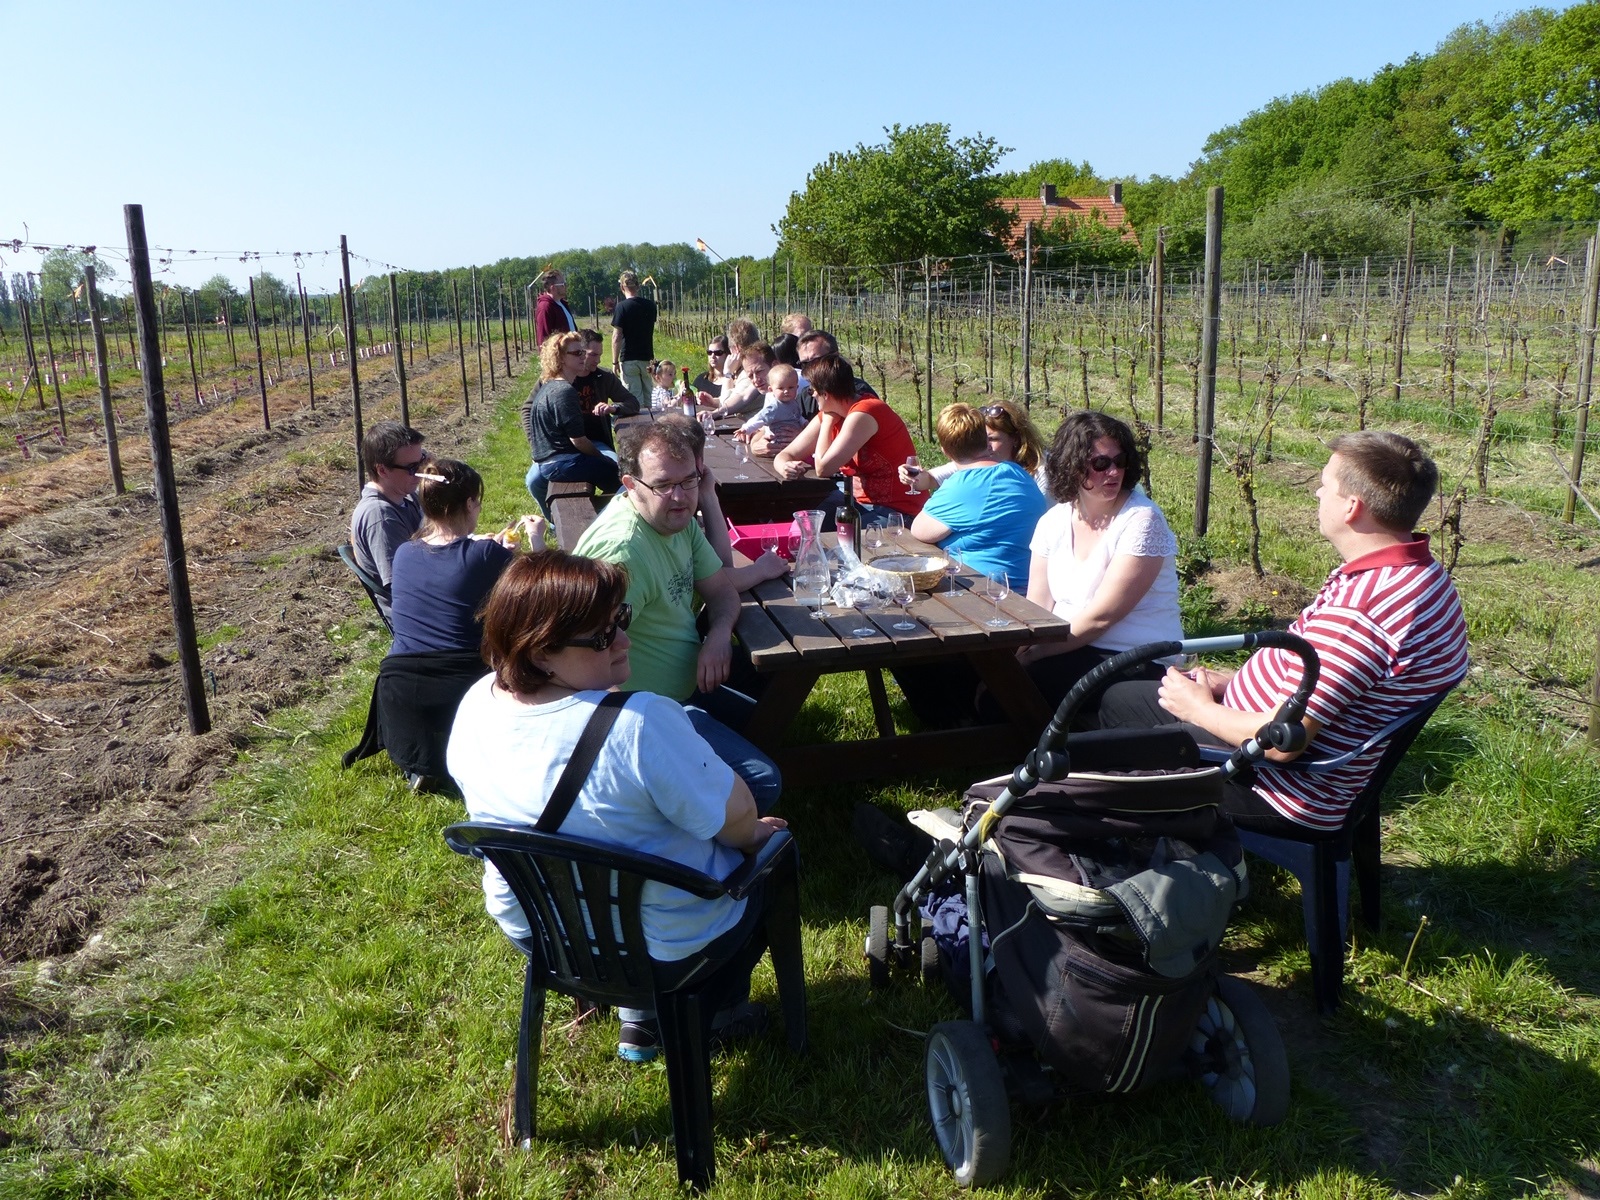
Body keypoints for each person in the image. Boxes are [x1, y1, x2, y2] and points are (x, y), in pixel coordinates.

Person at [447, 550, 786, 1061]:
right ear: (541, 654)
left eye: (620, 619)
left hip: (541, 931)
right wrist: (757, 835)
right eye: (603, 636)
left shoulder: (477, 702)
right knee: (771, 859)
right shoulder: (639, 722)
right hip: (666, 945)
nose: (625, 640)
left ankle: (639, 1016)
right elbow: (736, 818)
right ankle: (722, 1012)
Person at [1098, 431, 1469, 835]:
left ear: (1351, 507)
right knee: (1119, 699)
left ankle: (1149, 845)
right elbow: (1330, 676)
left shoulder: (1362, 611)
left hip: (1274, 786)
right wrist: (1234, 683)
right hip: (1276, 745)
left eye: (1325, 484)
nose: (1317, 493)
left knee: (1110, 761)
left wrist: (1199, 709)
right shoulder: (1417, 573)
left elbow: (1282, 743)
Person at [573, 422, 790, 810]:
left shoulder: (678, 520)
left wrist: (718, 637)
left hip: (691, 676)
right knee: (762, 779)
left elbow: (721, 589)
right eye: (663, 485)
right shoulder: (622, 555)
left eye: (689, 480)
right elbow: (584, 662)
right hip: (650, 707)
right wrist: (650, 731)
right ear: (631, 485)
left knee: (778, 696)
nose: (679, 496)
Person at [1010, 410, 1182, 724]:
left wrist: (1036, 654)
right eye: (1100, 463)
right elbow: (1037, 607)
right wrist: (1017, 652)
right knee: (992, 678)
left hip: (1132, 656)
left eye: (1120, 461)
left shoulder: (1142, 521)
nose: (1113, 472)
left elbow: (1101, 618)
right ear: (1072, 466)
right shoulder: (1053, 521)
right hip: (1069, 647)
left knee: (1017, 691)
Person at [388, 459, 542, 656]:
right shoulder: (485, 553)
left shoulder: (404, 552)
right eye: (477, 501)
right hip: (463, 669)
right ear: (469, 503)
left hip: (399, 669)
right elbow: (543, 591)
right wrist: (536, 538)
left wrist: (485, 549)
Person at [909, 403, 1049, 589]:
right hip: (1025, 587)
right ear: (986, 442)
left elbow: (920, 530)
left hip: (984, 591)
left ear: (945, 451)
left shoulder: (962, 485)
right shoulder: (1016, 471)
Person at [776, 354, 925, 521]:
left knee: (840, 534)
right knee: (806, 525)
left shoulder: (865, 413)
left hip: (896, 511)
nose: (812, 395)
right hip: (856, 501)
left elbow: (823, 469)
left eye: (813, 390)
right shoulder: (833, 411)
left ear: (826, 394)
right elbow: (786, 454)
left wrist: (827, 422)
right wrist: (784, 466)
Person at [524, 332, 622, 493]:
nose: (583, 357)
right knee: (624, 480)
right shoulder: (565, 391)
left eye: (583, 352)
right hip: (564, 463)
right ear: (561, 357)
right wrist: (600, 457)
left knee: (614, 476)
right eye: (577, 353)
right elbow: (579, 441)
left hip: (552, 463)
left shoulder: (550, 386)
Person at [350, 420, 426, 621]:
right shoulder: (381, 518)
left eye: (422, 461)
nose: (420, 472)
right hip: (417, 619)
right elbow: (404, 587)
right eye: (412, 468)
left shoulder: (404, 496)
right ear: (382, 470)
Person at [901, 399, 1047, 496]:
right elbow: (929, 479)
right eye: (983, 439)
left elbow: (1044, 517)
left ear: (1016, 439)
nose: (986, 445)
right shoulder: (978, 462)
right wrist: (913, 477)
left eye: (992, 439)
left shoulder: (1040, 469)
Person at [736, 363, 807, 457]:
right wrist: (746, 428)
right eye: (781, 388)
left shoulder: (794, 403)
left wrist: (805, 423)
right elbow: (759, 419)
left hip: (793, 442)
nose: (786, 391)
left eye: (791, 388)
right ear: (771, 390)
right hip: (777, 440)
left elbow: (798, 416)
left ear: (797, 387)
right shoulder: (774, 407)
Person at [610, 270, 658, 407]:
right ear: (638, 286)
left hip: (629, 358)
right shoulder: (650, 305)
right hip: (647, 357)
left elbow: (617, 336)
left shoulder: (621, 307)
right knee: (649, 397)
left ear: (622, 287)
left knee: (635, 399)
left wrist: (615, 362)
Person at [705, 342, 775, 421]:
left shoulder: (784, 384)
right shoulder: (764, 383)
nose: (755, 379)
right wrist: (713, 414)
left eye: (759, 371)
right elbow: (743, 397)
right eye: (750, 375)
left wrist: (728, 374)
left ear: (774, 365)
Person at [534, 270, 576, 345]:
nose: (566, 286)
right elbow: (544, 339)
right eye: (563, 284)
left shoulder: (562, 304)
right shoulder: (545, 307)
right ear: (553, 288)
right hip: (559, 352)